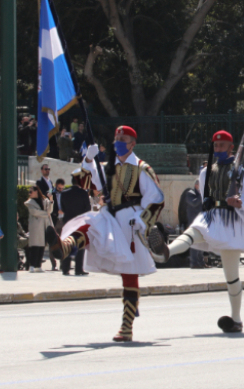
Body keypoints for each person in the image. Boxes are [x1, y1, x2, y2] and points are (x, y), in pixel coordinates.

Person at [49, 125, 169, 342]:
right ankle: (64, 247)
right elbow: (83, 182)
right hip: (108, 215)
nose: (118, 143)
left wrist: (143, 220)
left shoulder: (142, 169)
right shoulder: (107, 166)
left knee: (129, 275)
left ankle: (127, 326)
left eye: (123, 140)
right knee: (89, 228)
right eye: (116, 139)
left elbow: (156, 199)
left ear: (132, 144)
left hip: (130, 221)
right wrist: (88, 159)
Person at [160, 130, 244, 333]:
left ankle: (236, 319)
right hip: (212, 216)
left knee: (232, 277)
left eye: (221, 145)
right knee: (192, 232)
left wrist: (240, 202)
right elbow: (205, 197)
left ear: (231, 147)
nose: (217, 148)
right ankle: (166, 251)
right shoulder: (206, 171)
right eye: (215, 145)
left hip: (232, 221)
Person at [58, 172, 92, 275]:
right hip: (80, 222)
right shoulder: (83, 193)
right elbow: (88, 208)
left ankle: (65, 269)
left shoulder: (64, 193)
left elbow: (63, 208)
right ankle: (78, 269)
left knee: (67, 244)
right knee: (80, 246)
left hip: (68, 222)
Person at [179, 180, 205, 269]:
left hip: (202, 220)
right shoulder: (190, 193)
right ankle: (194, 262)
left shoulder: (201, 195)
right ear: (196, 185)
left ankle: (201, 262)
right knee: (194, 241)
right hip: (193, 221)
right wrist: (201, 195)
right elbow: (194, 203)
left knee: (202, 241)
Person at [25, 186, 52, 272]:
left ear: (36, 191)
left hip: (44, 225)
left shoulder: (45, 200)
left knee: (42, 246)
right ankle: (32, 265)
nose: (29, 193)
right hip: (35, 226)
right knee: (35, 246)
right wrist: (46, 214)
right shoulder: (30, 202)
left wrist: (51, 201)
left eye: (31, 191)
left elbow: (50, 211)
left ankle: (38, 265)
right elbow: (34, 212)